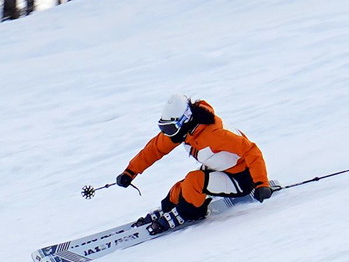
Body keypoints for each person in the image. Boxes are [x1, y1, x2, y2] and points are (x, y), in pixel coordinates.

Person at [116, 95, 273, 226]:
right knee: (180, 189)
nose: (167, 134)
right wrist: (130, 172)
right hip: (218, 168)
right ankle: (168, 208)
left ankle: (190, 212)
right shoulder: (185, 131)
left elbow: (251, 151)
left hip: (241, 179)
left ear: (185, 120)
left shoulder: (214, 135)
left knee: (194, 181)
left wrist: (261, 184)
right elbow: (154, 149)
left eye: (169, 129)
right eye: (164, 128)